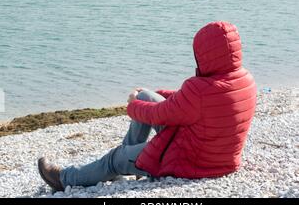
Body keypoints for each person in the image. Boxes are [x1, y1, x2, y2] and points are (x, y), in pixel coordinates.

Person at [38, 21, 257, 191]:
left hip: (189, 163)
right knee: (146, 94)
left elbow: (160, 114)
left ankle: (65, 178)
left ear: (204, 54)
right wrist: (151, 95)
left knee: (115, 157)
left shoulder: (199, 89)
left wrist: (133, 105)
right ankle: (123, 162)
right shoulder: (246, 80)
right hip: (219, 158)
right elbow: (191, 104)